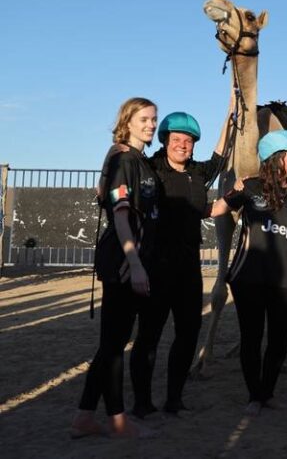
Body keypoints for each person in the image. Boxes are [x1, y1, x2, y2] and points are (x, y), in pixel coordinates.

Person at [71, 97, 160, 438]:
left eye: (153, 119)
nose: (150, 124)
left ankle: (84, 417)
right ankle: (118, 420)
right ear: (127, 121)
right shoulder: (124, 159)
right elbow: (121, 216)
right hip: (123, 261)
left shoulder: (138, 160)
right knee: (113, 345)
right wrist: (134, 263)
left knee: (113, 342)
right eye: (143, 119)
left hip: (134, 260)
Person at [128, 111, 227, 418]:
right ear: (165, 141)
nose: (182, 145)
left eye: (188, 140)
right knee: (149, 336)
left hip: (188, 268)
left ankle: (174, 399)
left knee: (188, 333)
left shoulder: (198, 173)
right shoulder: (149, 169)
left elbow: (220, 155)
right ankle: (142, 404)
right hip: (155, 266)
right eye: (176, 139)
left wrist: (231, 110)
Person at [209, 130, 287, 415]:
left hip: (283, 280)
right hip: (248, 278)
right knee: (251, 338)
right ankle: (255, 395)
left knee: (280, 339)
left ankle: (267, 392)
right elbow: (216, 210)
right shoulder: (250, 187)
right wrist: (233, 190)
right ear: (276, 159)